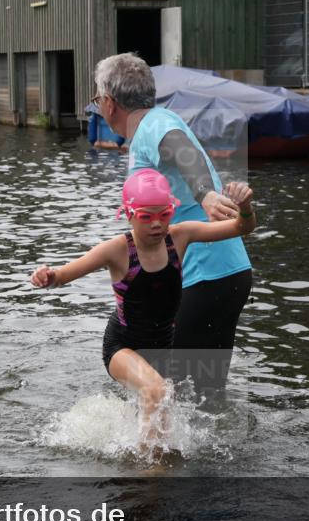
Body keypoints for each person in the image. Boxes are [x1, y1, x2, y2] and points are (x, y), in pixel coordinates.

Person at [30, 169, 255, 456]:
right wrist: (47, 276)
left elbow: (241, 228)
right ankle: (150, 477)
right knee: (156, 390)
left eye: (164, 214)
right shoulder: (117, 250)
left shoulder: (180, 237)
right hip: (122, 346)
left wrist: (245, 207)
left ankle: (149, 462)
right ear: (129, 214)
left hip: (162, 345)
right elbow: (62, 275)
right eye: (146, 217)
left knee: (162, 409)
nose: (157, 224)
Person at [93, 53, 254, 394]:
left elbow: (180, 148)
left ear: (109, 103)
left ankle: (153, 448)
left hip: (200, 278)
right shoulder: (155, 125)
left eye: (97, 98)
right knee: (206, 396)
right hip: (230, 274)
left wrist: (206, 194)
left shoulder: (153, 123)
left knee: (159, 390)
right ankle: (218, 447)